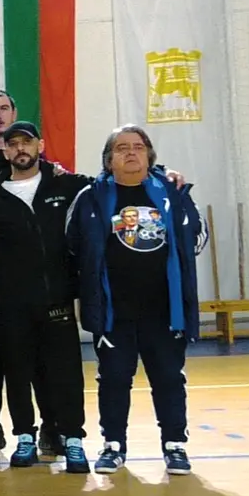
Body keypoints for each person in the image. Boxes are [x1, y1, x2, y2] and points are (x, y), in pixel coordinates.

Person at [67, 125, 205, 476]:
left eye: (138, 147)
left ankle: (175, 445)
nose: (131, 152)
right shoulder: (90, 197)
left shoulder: (172, 192)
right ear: (108, 159)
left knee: (169, 378)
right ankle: (113, 445)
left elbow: (197, 236)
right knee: (113, 379)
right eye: (122, 147)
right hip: (114, 311)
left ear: (149, 155)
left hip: (165, 309)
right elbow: (72, 245)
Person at [0, 122, 93, 473]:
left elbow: (110, 184)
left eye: (26, 142)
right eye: (13, 144)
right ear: (5, 151)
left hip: (57, 300)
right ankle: (24, 437)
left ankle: (73, 438)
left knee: (65, 372)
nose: (20, 149)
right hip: (9, 304)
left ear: (40, 145)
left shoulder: (67, 186)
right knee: (17, 372)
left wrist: (162, 173)